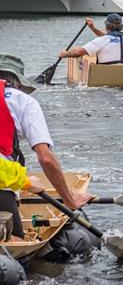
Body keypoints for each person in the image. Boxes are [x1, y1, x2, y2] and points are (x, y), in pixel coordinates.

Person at [0, 54, 92, 238]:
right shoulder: (24, 102)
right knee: (16, 241)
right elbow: (46, 158)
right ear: (17, 83)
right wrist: (69, 199)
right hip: (3, 186)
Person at [59, 13, 123, 65]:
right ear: (121, 26)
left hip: (106, 75)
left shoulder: (103, 40)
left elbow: (78, 53)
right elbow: (108, 37)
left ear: (106, 25)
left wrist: (64, 54)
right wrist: (92, 28)